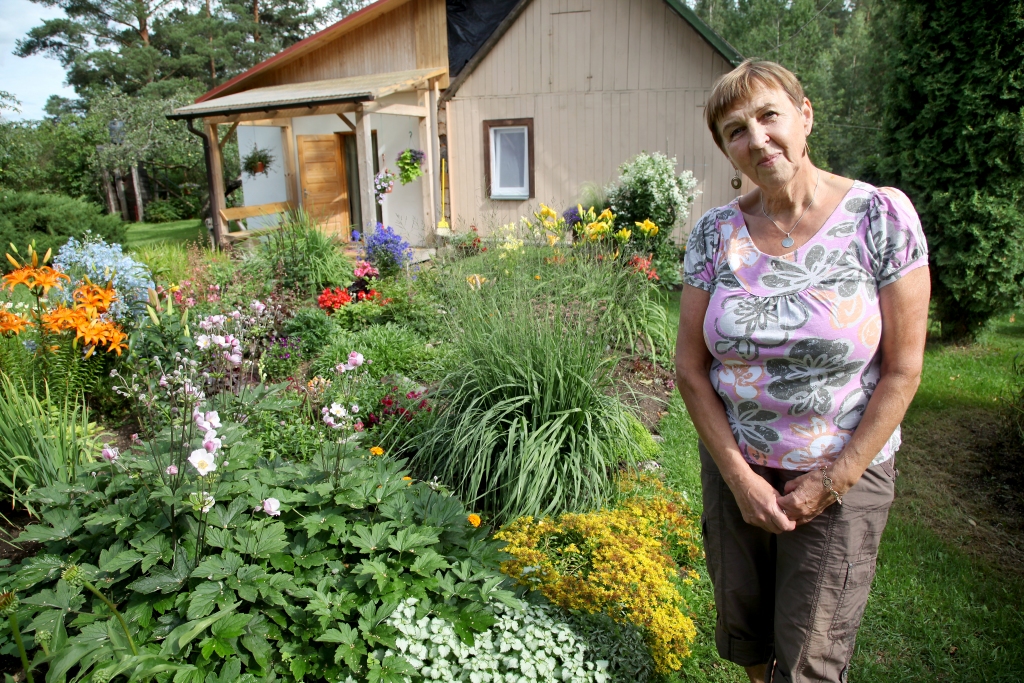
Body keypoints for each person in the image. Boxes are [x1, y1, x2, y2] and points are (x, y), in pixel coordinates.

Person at [674, 59, 930, 683]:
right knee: (748, 634)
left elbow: (903, 370)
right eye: (736, 130)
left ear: (805, 115)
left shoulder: (879, 217)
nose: (757, 139)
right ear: (726, 150)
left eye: (769, 116)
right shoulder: (713, 233)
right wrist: (740, 479)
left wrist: (832, 481)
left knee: (810, 658)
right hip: (739, 468)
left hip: (842, 470)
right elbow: (689, 368)